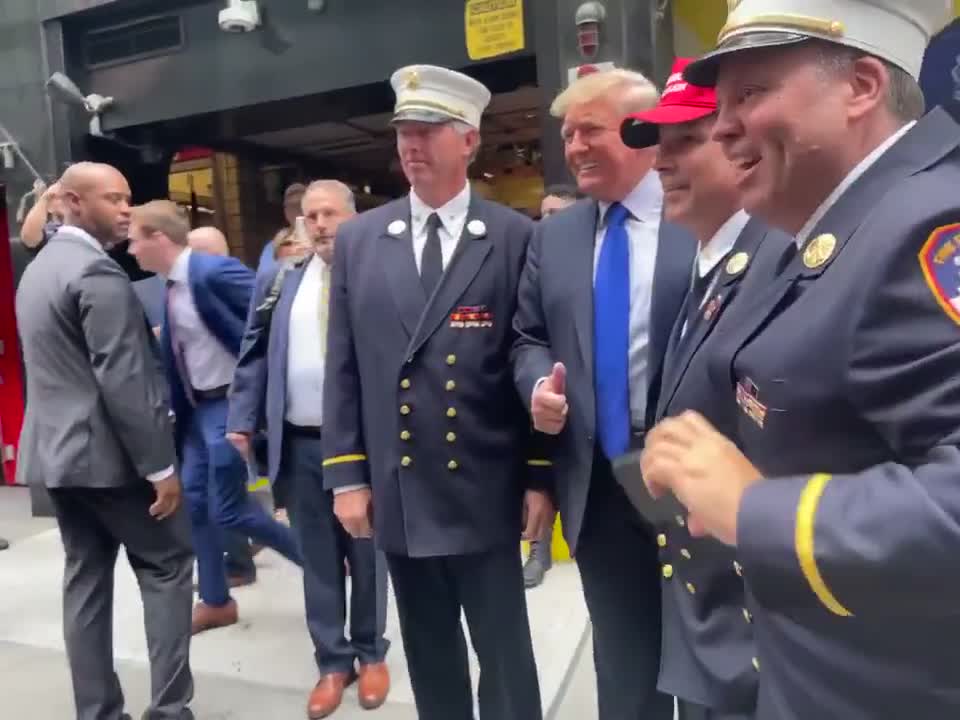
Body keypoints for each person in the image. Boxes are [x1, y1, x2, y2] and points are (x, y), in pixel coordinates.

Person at [641, 2, 960, 719]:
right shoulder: (815, 230)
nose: (722, 127)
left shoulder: (933, 228)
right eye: (721, 104)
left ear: (862, 86)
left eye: (751, 94)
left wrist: (754, 509)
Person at [323, 64, 554, 720]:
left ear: (469, 141)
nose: (410, 144)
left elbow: (529, 355)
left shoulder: (512, 238)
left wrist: (539, 475)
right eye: (403, 130)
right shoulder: (362, 240)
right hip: (399, 487)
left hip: (483, 486)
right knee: (429, 656)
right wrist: (347, 477)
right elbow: (345, 367)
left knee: (505, 655)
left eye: (427, 130)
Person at [512, 68, 697, 720]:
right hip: (597, 485)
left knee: (708, 660)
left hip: (695, 481)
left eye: (589, 130)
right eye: (567, 135)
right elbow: (528, 336)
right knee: (625, 666)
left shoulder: (700, 210)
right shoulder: (554, 236)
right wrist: (537, 384)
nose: (574, 147)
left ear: (642, 129)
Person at [620, 57, 791, 720]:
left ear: (736, 144)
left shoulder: (778, 267)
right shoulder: (710, 266)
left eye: (686, 142)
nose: (662, 164)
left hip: (754, 628)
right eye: (658, 148)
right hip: (709, 616)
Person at [15, 162, 194, 720]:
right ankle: (170, 711)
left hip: (55, 459)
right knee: (167, 567)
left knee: (86, 582)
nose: (125, 209)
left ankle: (96, 712)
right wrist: (161, 469)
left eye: (128, 198)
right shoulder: (98, 275)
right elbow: (125, 381)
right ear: (70, 201)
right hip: (108, 462)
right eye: (112, 199)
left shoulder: (39, 271)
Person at [228, 180, 391, 719]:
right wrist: (242, 417)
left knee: (366, 555)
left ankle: (370, 652)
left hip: (362, 449)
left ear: (354, 217)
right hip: (298, 444)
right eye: (310, 215)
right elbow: (252, 354)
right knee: (318, 561)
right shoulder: (281, 281)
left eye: (330, 213)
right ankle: (332, 661)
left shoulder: (377, 277)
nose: (319, 223)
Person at [126, 200, 302, 635]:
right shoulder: (171, 285)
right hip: (200, 409)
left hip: (229, 403)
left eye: (134, 241)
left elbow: (274, 318)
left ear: (158, 239)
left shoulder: (210, 273)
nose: (130, 250)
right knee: (197, 506)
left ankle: (319, 560)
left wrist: (260, 396)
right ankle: (216, 600)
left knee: (227, 509)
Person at [523, 183, 580, 590]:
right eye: (543, 214)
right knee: (540, 474)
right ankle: (537, 551)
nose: (548, 223)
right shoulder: (535, 261)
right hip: (545, 391)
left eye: (557, 214)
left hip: (588, 399)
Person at [257, 183, 307, 276]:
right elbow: (264, 277)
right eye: (292, 206)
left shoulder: (319, 241)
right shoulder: (273, 246)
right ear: (286, 212)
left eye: (300, 204)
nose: (297, 210)